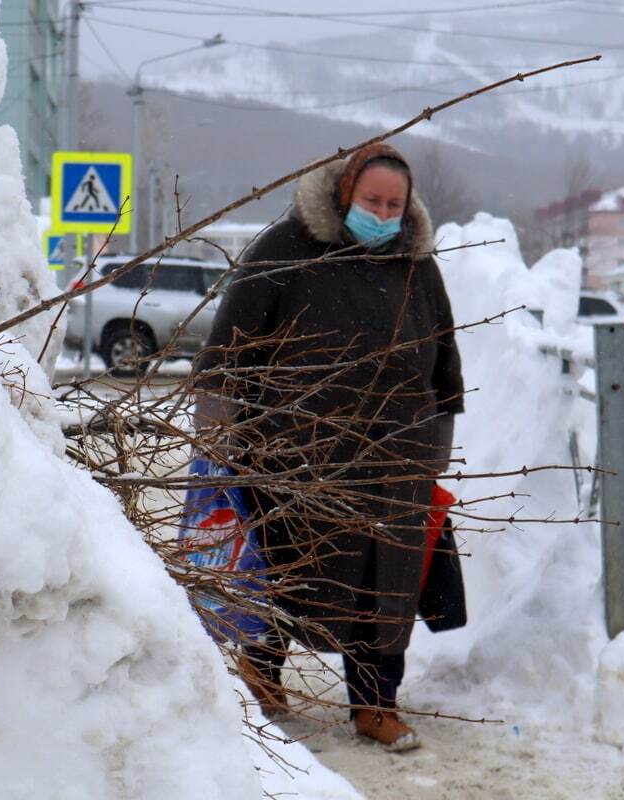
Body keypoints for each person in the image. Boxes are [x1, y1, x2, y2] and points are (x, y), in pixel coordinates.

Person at [192, 144, 465, 752]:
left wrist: (437, 440)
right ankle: (262, 672)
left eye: (394, 204)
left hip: (396, 456)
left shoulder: (416, 263)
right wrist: (215, 437)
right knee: (286, 569)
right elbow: (229, 344)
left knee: (386, 585)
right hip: (296, 454)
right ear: (345, 194)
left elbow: (444, 354)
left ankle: (375, 705)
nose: (383, 213)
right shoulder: (284, 249)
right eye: (372, 201)